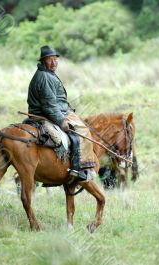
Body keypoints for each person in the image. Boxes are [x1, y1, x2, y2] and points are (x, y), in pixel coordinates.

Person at [27, 45, 96, 181]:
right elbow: (49, 105)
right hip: (48, 114)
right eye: (49, 60)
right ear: (43, 61)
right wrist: (61, 121)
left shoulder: (46, 74)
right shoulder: (45, 77)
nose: (53, 63)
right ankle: (81, 169)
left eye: (55, 59)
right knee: (83, 130)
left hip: (57, 110)